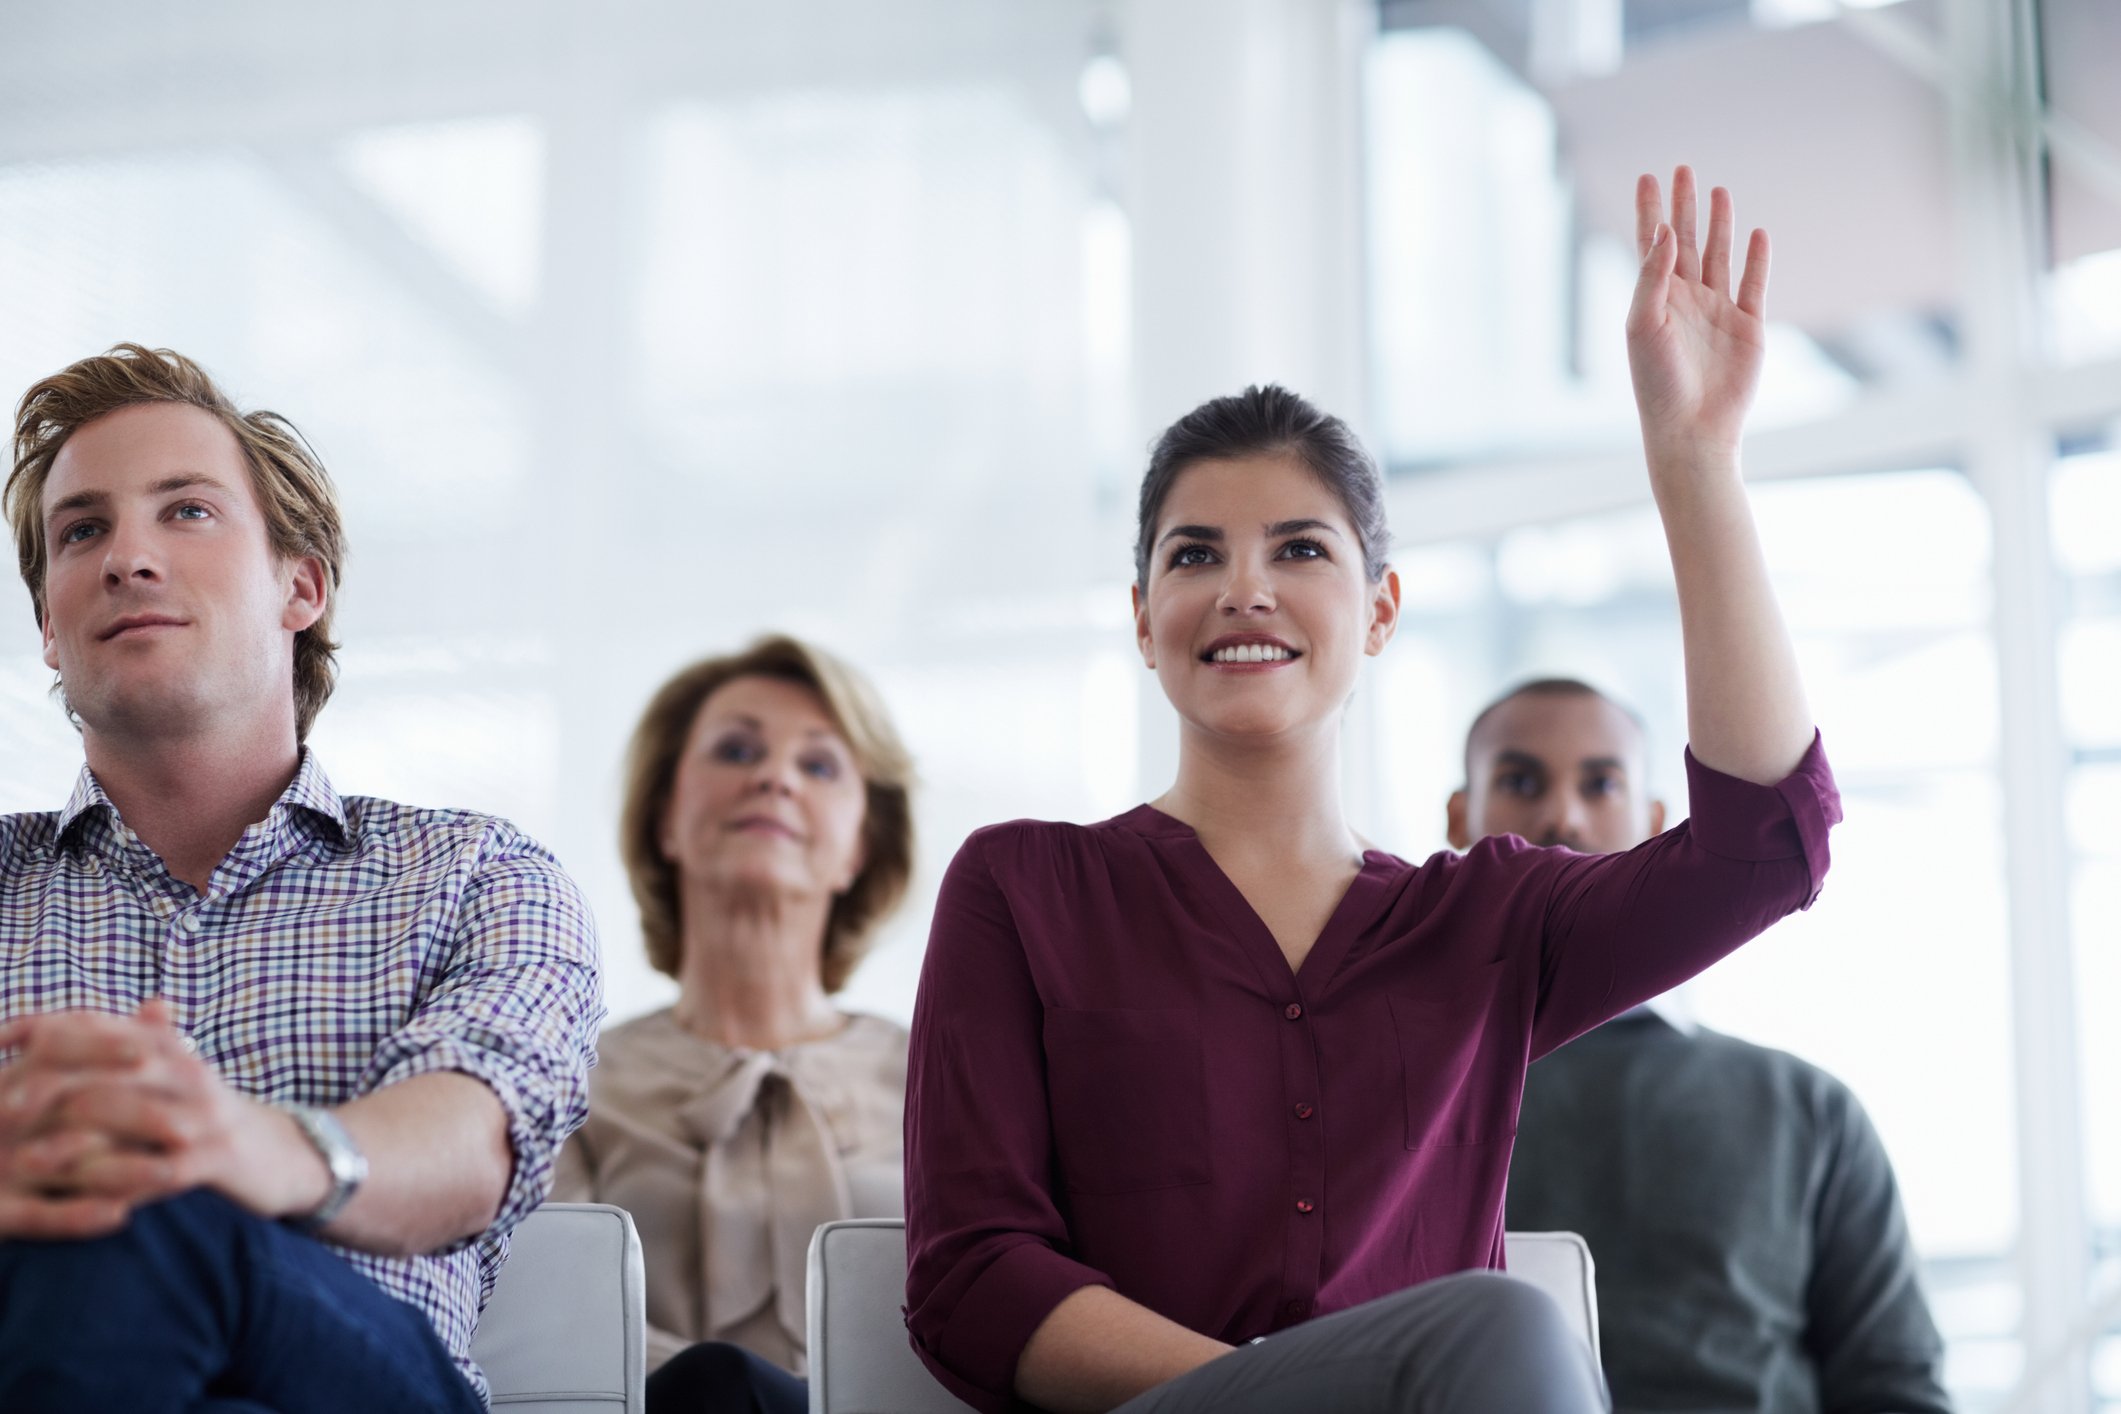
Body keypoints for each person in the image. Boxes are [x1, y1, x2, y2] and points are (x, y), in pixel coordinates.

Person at [903, 167, 1841, 1414]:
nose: (1246, 589)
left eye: (1300, 549)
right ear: (1142, 620)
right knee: (1505, 1330)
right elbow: (971, 1276)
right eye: (1196, 555)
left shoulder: (1489, 925)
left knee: (1503, 1335)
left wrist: (1696, 461)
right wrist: (1295, 1396)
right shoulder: (1023, 887)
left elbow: (1764, 846)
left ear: (1380, 609)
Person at [0, 344, 603, 1413]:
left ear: (303, 586)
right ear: (49, 625)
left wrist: (249, 1147)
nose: (126, 558)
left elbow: (473, 1146)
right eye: (81, 530)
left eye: (185, 511)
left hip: (359, 1383)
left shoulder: (473, 872)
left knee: (147, 1203)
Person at [1452, 677, 1950, 1414]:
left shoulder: (1806, 1111)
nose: (1562, 816)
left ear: (1654, 821)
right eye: (1520, 780)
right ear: (1460, 817)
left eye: (1601, 784)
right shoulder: (1400, 1093)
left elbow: (1895, 1385)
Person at [554, 635, 917, 1414]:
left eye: (817, 766)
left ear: (859, 845)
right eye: (735, 750)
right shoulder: (569, 1079)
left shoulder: (945, 1079)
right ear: (665, 822)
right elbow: (556, 1329)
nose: (773, 778)